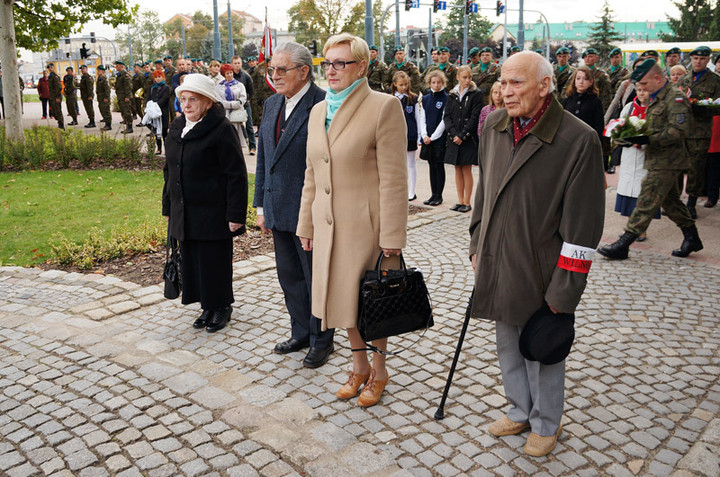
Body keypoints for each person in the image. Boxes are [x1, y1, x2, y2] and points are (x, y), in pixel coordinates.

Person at [469, 51, 605, 458]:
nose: (505, 92)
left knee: (542, 346)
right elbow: (484, 193)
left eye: (516, 83)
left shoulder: (578, 139)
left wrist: (564, 291)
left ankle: (547, 421)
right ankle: (519, 409)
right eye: (503, 82)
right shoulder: (494, 125)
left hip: (544, 269)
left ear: (544, 85)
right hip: (498, 259)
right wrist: (477, 242)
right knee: (507, 342)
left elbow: (583, 230)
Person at [296, 33, 408, 407]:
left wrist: (392, 235)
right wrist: (306, 225)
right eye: (327, 63)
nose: (331, 70)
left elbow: (395, 179)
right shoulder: (317, 111)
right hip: (328, 227)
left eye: (340, 63)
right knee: (342, 301)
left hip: (367, 227)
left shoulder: (383, 106)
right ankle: (358, 367)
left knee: (370, 302)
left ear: (362, 66)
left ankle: (379, 371)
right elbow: (312, 173)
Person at [253, 42, 335, 368]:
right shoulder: (272, 104)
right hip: (277, 207)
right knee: (289, 278)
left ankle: (321, 340)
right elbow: (264, 159)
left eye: (281, 70)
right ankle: (300, 331)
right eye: (271, 70)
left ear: (303, 71)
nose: (274, 76)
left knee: (316, 278)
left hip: (309, 212)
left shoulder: (323, 104)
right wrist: (260, 205)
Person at [162, 74, 248, 333]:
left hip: (213, 211)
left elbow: (236, 175)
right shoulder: (177, 127)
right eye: (183, 100)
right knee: (193, 260)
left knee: (214, 261)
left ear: (208, 102)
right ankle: (206, 306)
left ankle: (221, 306)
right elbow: (169, 171)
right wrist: (168, 207)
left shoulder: (221, 129)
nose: (186, 105)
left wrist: (236, 214)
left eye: (193, 100)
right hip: (185, 209)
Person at [597, 59, 703, 260]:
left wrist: (647, 138)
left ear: (657, 78)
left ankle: (624, 243)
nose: (641, 88)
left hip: (668, 161)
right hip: (655, 158)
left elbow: (679, 130)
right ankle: (692, 237)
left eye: (644, 84)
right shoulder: (656, 98)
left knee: (646, 198)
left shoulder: (675, 98)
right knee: (671, 203)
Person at [678, 46, 720, 219]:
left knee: (696, 168)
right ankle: (676, 201)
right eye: (695, 58)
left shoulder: (716, 81)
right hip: (682, 130)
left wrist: (699, 107)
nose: (698, 61)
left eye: (702, 59)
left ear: (708, 60)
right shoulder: (684, 79)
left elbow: (717, 107)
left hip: (700, 131)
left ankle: (691, 203)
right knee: (678, 166)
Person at [612, 88, 658, 240]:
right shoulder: (629, 107)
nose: (642, 93)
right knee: (629, 193)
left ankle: (642, 229)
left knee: (642, 194)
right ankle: (630, 227)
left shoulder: (655, 108)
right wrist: (626, 139)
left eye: (645, 90)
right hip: (630, 154)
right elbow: (619, 128)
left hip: (646, 156)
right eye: (639, 90)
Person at [444, 65, 483, 213]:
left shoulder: (476, 94)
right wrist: (453, 134)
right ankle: (459, 200)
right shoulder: (452, 94)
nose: (467, 80)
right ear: (458, 77)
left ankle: (467, 201)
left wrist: (462, 135)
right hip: (454, 138)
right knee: (457, 168)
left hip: (467, 139)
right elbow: (447, 116)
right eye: (464, 77)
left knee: (466, 168)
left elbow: (474, 117)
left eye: (470, 77)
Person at [419, 70, 449, 206]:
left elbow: (444, 120)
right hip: (427, 138)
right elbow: (422, 118)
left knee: (438, 165)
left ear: (443, 83)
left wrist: (434, 136)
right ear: (429, 83)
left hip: (439, 138)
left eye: (439, 83)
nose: (436, 85)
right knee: (431, 166)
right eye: (433, 82)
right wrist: (424, 135)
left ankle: (439, 195)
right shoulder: (425, 99)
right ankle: (432, 194)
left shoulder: (446, 99)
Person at [392, 71, 422, 201]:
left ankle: (412, 191)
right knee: (396, 165)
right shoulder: (390, 98)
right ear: (395, 84)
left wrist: (419, 136)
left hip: (410, 134)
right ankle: (398, 190)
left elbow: (418, 117)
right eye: (401, 85)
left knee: (411, 164)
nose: (403, 87)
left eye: (405, 84)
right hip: (394, 136)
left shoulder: (413, 98)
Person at [562, 66, 604, 141]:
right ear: (574, 81)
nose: (581, 82)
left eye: (585, 79)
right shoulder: (567, 101)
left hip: (587, 141)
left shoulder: (595, 101)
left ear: (591, 82)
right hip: (568, 141)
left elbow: (599, 126)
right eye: (578, 78)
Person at [216, 64, 248, 147]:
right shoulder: (219, 86)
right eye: (227, 73)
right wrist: (228, 104)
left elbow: (243, 98)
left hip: (237, 114)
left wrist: (234, 104)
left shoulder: (239, 85)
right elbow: (218, 100)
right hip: (225, 114)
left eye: (231, 72)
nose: (229, 75)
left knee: (237, 137)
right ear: (223, 74)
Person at [231, 55, 256, 154]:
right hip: (232, 105)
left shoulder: (246, 76)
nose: (237, 65)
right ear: (232, 64)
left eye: (239, 63)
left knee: (249, 125)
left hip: (245, 104)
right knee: (234, 126)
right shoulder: (230, 75)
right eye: (235, 63)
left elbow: (251, 91)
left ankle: (252, 146)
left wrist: (244, 100)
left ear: (241, 64)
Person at [149, 70, 170, 155]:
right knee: (156, 130)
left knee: (164, 131)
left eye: (159, 76)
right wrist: (149, 105)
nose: (158, 79)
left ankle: (167, 149)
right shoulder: (152, 88)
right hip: (154, 113)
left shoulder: (166, 87)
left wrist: (156, 105)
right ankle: (159, 148)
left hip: (163, 112)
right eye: (156, 77)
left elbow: (165, 99)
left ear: (163, 77)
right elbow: (148, 98)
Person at [114, 61, 134, 134]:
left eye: (117, 65)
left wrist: (127, 96)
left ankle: (130, 127)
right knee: (124, 111)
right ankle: (127, 126)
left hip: (124, 96)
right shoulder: (120, 75)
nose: (116, 67)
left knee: (127, 112)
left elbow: (128, 86)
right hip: (121, 96)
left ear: (122, 66)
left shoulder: (125, 75)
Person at [47, 63, 64, 130]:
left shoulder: (54, 76)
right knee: (54, 111)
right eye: (49, 68)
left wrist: (58, 97)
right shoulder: (50, 76)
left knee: (58, 111)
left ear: (54, 68)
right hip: (52, 97)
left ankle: (61, 125)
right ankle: (59, 123)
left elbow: (58, 87)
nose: (50, 69)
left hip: (56, 97)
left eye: (51, 67)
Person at [96, 65, 112, 131]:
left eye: (99, 71)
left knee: (106, 111)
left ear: (103, 71)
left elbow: (107, 90)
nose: (97, 72)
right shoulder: (99, 78)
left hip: (104, 98)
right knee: (102, 110)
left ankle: (108, 125)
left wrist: (106, 98)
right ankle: (106, 123)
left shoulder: (104, 79)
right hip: (100, 98)